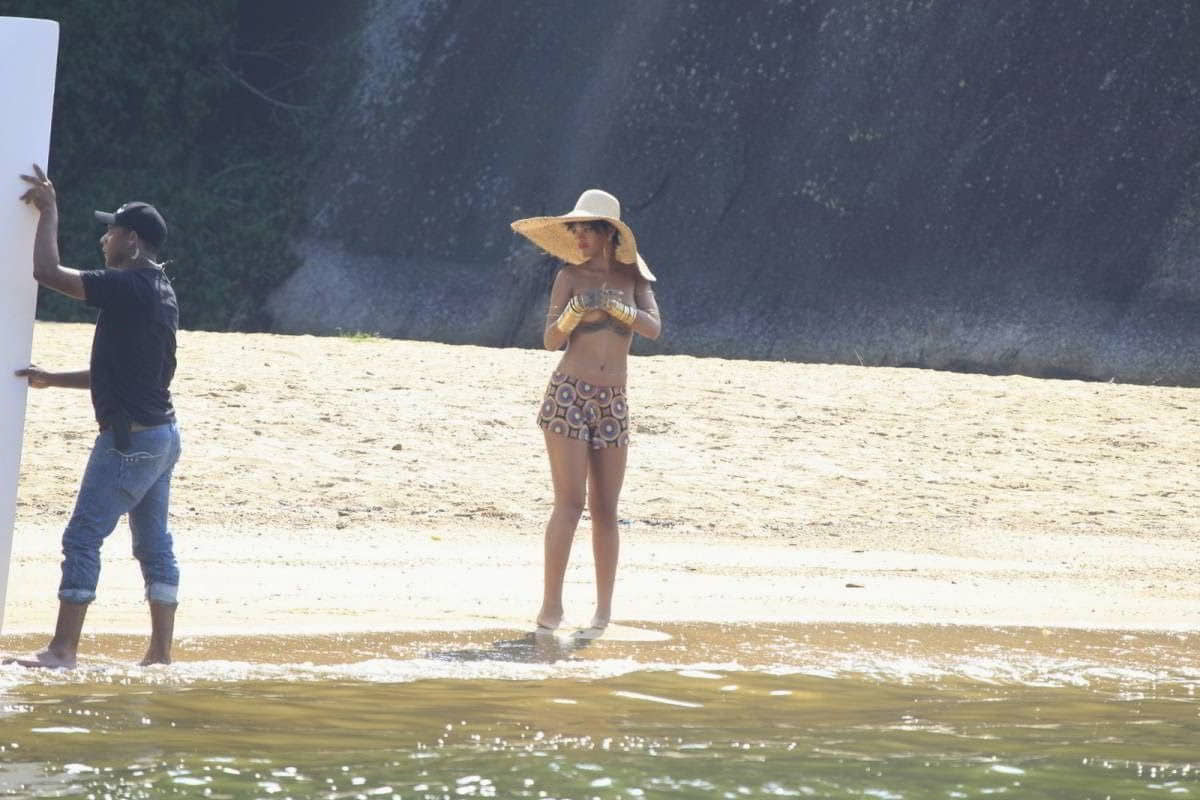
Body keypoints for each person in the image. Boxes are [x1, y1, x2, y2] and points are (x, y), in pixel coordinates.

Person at [6, 164, 182, 668]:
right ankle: (159, 655)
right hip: (163, 436)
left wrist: (49, 210)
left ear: (132, 241)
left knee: (83, 536)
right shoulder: (160, 289)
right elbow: (121, 373)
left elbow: (47, 273)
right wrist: (51, 378)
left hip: (131, 441)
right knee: (153, 545)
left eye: (112, 232)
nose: (104, 239)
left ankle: (62, 651)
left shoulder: (129, 286)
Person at [511, 189, 662, 633]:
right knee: (570, 503)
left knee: (606, 508)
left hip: (613, 399)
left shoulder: (635, 278)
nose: (578, 237)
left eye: (586, 230)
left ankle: (603, 610)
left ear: (608, 233)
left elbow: (654, 328)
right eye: (574, 229)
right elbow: (550, 340)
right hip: (569, 394)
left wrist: (617, 306)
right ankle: (551, 607)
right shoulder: (569, 277)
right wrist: (575, 311)